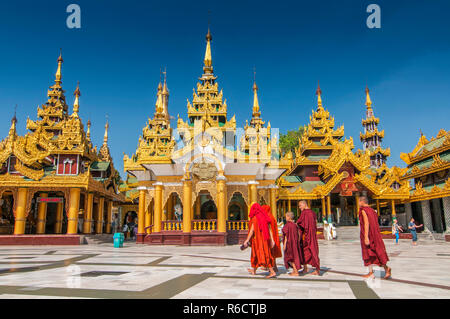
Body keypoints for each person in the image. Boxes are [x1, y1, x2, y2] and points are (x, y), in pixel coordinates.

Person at [359, 196, 391, 279]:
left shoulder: (363, 210)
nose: (358, 203)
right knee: (377, 252)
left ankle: (381, 270)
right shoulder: (373, 211)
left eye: (359, 201)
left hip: (368, 235)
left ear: (362, 202)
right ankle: (381, 270)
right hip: (375, 235)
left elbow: (366, 223)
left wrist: (366, 237)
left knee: (368, 253)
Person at [242, 203, 276, 278]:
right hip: (265, 240)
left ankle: (272, 272)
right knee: (262, 254)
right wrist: (272, 240)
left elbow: (252, 231)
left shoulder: (255, 218)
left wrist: (247, 240)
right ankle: (253, 270)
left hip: (257, 240)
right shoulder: (265, 216)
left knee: (262, 254)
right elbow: (270, 229)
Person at [297, 200, 320, 276]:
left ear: (304, 204)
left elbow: (300, 223)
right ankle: (306, 268)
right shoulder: (312, 213)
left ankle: (316, 269)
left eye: (300, 205)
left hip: (306, 235)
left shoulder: (305, 213)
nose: (300, 207)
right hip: (312, 234)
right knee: (309, 251)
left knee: (309, 250)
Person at [282, 211, 304, 276]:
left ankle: (296, 271)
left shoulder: (287, 225)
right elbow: (299, 234)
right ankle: (295, 270)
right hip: (295, 243)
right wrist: (298, 241)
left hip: (289, 243)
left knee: (290, 257)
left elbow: (286, 236)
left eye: (286, 216)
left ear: (289, 217)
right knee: (295, 256)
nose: (285, 218)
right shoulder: (295, 225)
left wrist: (284, 245)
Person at [262, 205, 282, 273]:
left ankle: (271, 267)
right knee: (273, 253)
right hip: (274, 237)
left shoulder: (267, 217)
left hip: (270, 237)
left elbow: (269, 229)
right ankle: (274, 266)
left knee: (269, 252)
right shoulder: (272, 217)